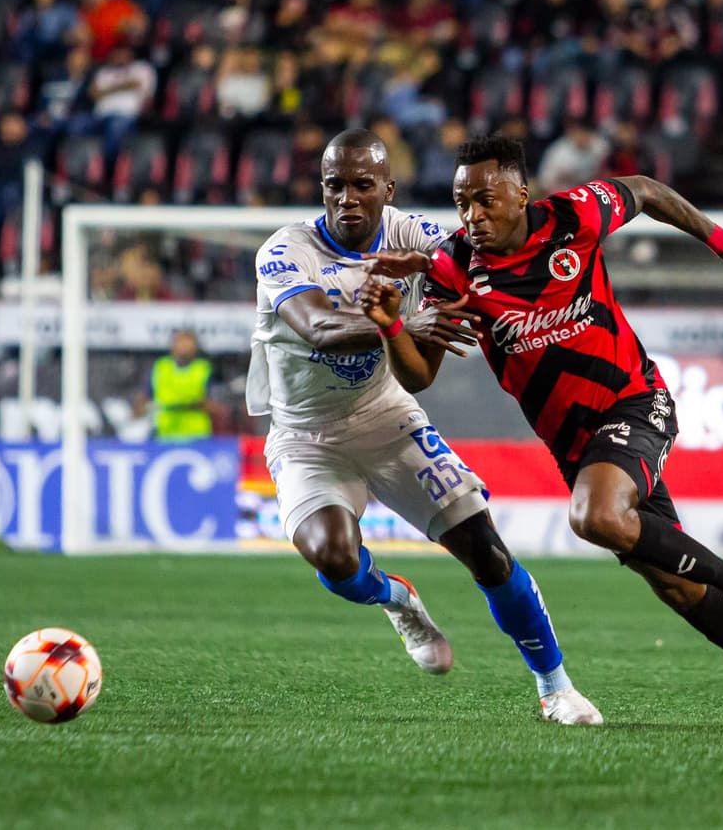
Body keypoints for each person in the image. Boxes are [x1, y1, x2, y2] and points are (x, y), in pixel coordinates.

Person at [360, 135, 723, 729]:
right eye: (461, 201)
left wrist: (720, 242)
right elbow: (417, 376)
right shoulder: (453, 268)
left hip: (635, 402)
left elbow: (648, 192)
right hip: (577, 448)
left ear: (521, 194)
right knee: (673, 586)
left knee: (593, 517)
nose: (473, 215)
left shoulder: (574, 216)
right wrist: (392, 325)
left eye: (486, 200)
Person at [245, 128, 601, 725]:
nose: (348, 198)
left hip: (384, 414)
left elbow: (495, 263)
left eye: (363, 185)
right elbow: (320, 329)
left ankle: (555, 687)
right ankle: (398, 600)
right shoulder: (286, 251)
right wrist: (399, 326)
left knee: (485, 551)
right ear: (322, 190)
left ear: (389, 188)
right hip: (305, 434)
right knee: (333, 555)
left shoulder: (424, 238)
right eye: (336, 186)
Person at [134, 329, 220, 441]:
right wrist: (142, 411)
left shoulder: (204, 369)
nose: (183, 348)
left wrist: (191, 405)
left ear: (195, 348)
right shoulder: (160, 368)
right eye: (180, 342)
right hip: (164, 433)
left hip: (196, 435)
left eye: (188, 344)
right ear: (172, 346)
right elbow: (143, 399)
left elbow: (214, 405)